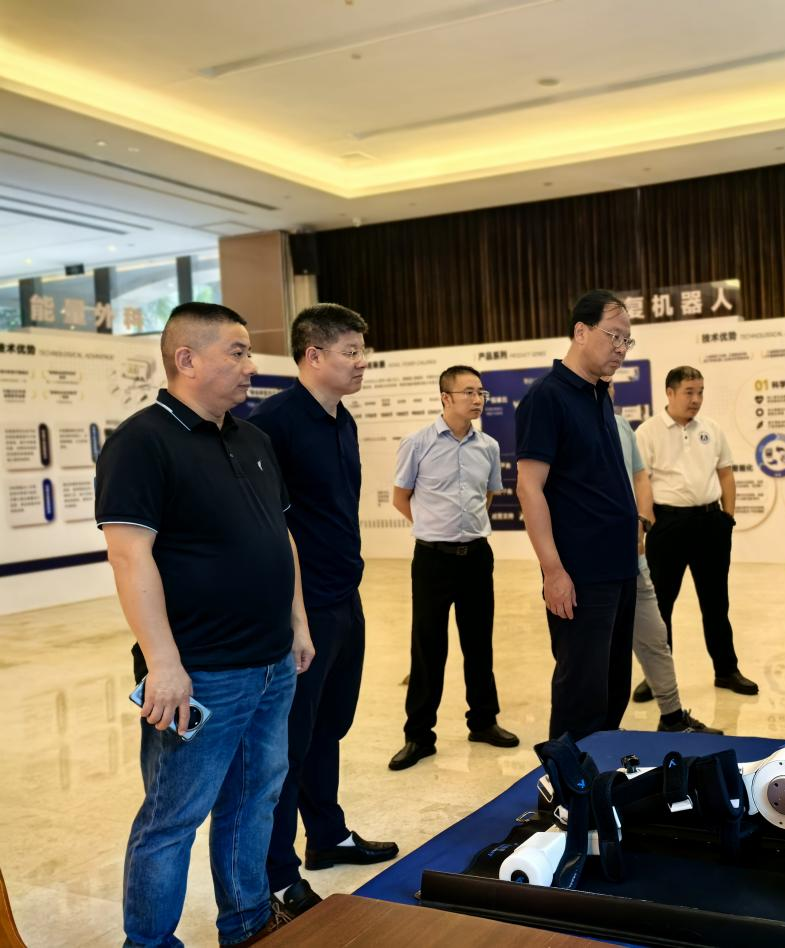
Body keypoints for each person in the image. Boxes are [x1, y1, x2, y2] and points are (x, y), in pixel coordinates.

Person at [95, 302, 314, 947]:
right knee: (173, 818)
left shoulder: (253, 439)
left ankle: (246, 923)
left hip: (272, 663)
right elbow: (129, 557)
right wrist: (163, 664)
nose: (251, 366)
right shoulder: (141, 442)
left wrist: (297, 623)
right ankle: (150, 943)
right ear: (187, 359)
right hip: (200, 673)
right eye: (237, 353)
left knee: (255, 799)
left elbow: (281, 538)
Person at [248, 304, 397, 919]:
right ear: (313, 356)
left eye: (363, 352)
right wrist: (294, 615)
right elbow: (267, 525)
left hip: (344, 596)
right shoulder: (272, 424)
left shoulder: (343, 419)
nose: (361, 363)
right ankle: (277, 874)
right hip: (302, 608)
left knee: (329, 727)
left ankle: (327, 835)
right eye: (350, 352)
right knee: (288, 743)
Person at [516, 291, 638, 742]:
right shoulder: (547, 397)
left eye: (627, 341)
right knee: (581, 694)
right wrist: (553, 571)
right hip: (581, 573)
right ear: (580, 332)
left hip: (619, 568)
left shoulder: (599, 395)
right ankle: (568, 779)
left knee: (613, 687)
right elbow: (529, 488)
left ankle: (601, 773)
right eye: (614, 337)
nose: (621, 349)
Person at [389, 365, 519, 770]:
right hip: (432, 559)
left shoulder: (489, 446)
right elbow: (400, 497)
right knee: (428, 647)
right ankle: (419, 736)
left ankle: (483, 721)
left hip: (477, 557)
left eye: (481, 392)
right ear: (445, 398)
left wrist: (465, 530)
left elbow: (488, 496)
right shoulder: (418, 443)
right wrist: (434, 527)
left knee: (479, 643)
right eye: (468, 392)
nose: (478, 399)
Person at [635, 366, 758, 699]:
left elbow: (726, 474)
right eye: (689, 392)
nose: (696, 399)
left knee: (716, 602)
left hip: (710, 524)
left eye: (700, 392)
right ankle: (657, 678)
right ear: (670, 392)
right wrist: (645, 525)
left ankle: (726, 670)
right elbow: (641, 481)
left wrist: (727, 519)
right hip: (667, 525)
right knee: (660, 606)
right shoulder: (647, 432)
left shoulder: (712, 429)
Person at [607, 376, 721, 734]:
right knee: (606, 649)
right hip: (598, 557)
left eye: (611, 385)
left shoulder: (623, 427)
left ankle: (672, 717)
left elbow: (641, 478)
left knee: (655, 635)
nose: (608, 390)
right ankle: (603, 730)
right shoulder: (576, 429)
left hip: (634, 551)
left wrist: (643, 522)